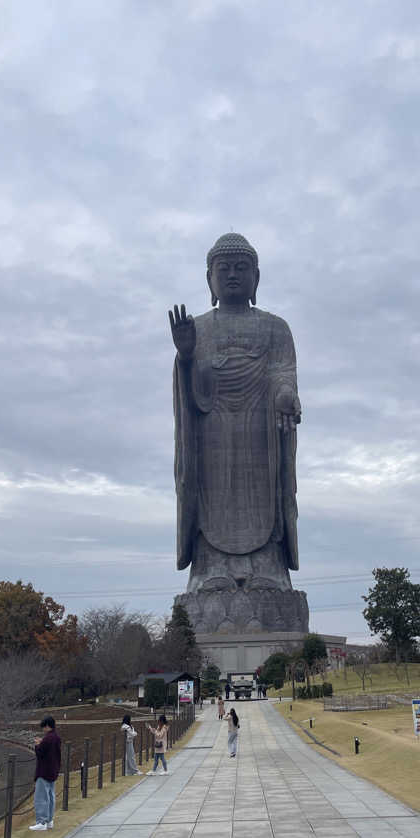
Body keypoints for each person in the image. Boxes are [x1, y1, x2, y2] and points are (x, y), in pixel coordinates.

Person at [169, 233, 302, 603]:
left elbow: (283, 372)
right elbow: (191, 391)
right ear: (209, 278)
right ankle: (210, 569)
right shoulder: (197, 328)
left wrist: (286, 394)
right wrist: (186, 356)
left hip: (260, 432)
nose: (232, 275)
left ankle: (268, 568)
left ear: (255, 278)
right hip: (212, 431)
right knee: (210, 494)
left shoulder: (275, 328)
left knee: (266, 491)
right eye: (223, 268)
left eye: (241, 268)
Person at [29, 715, 61, 831]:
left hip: (44, 771)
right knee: (51, 796)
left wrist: (38, 744)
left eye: (43, 727)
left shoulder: (48, 739)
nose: (43, 729)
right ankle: (49, 821)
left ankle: (41, 822)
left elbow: (40, 753)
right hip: (53, 770)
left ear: (47, 726)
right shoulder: (56, 737)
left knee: (41, 797)